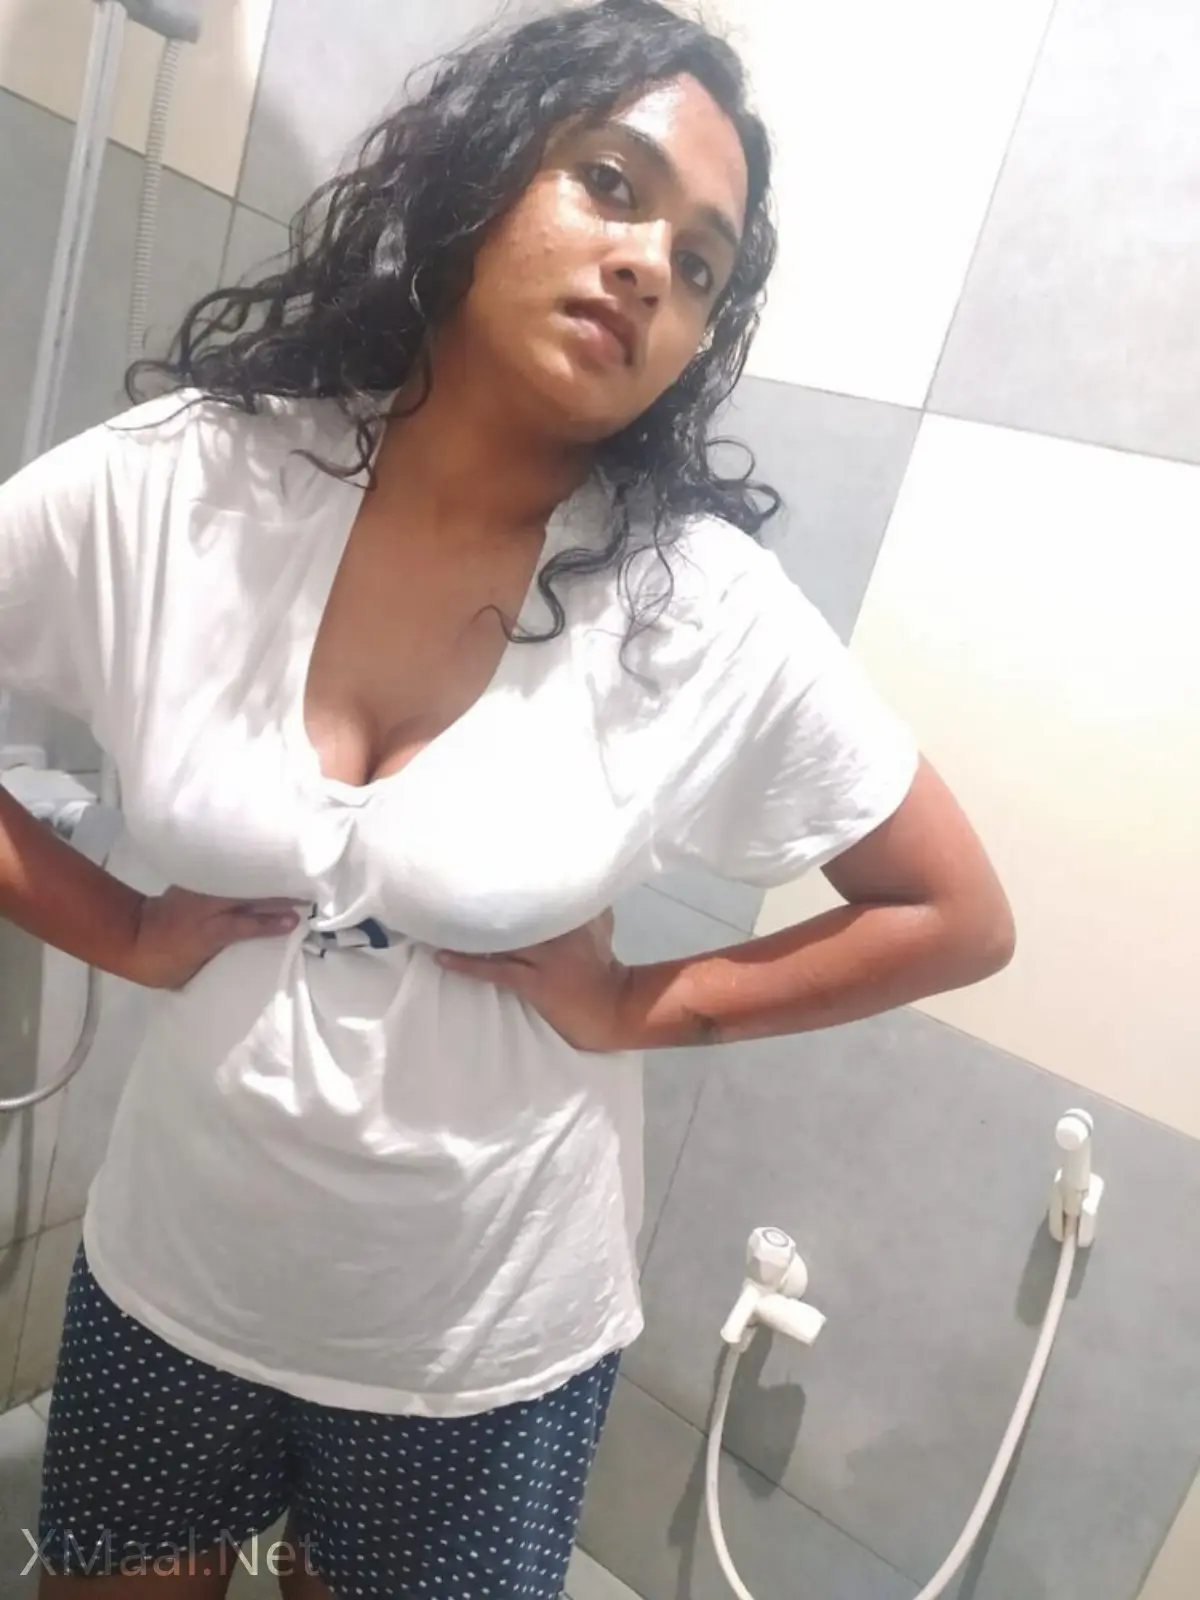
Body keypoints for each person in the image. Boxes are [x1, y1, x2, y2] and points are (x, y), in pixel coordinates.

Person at [0, 1, 1014, 1595]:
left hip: (479, 1350)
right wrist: (116, 927)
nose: (649, 266)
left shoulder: (696, 606)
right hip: (177, 1275)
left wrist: (635, 1007)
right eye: (610, 183)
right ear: (478, 177)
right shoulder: (193, 479)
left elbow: (955, 916)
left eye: (700, 264)